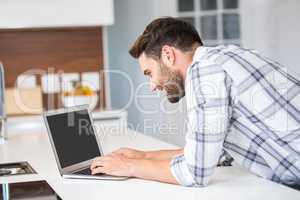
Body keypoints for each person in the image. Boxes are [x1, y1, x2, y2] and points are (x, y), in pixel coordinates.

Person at [91, 17, 300, 187]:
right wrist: (145, 156)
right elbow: (214, 152)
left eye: (149, 72)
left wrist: (128, 167)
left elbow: (194, 172)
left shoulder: (204, 71)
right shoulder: (225, 56)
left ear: (168, 54)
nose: (152, 85)